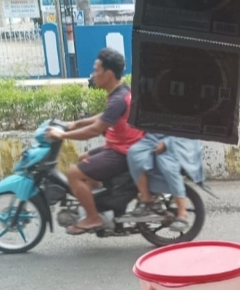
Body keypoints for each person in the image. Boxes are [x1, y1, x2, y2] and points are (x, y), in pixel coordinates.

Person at [47, 48, 144, 234]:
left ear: (108, 74)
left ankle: (93, 218)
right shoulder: (121, 91)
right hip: (120, 147)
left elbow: (95, 129)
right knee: (83, 158)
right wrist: (76, 123)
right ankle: (101, 204)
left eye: (96, 70)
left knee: (74, 173)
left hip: (122, 152)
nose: (93, 74)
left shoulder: (118, 99)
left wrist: (62, 135)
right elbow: (105, 116)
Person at [123, 134, 192, 232]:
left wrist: (166, 143)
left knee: (168, 168)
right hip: (151, 138)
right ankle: (146, 197)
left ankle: (182, 213)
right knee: (134, 153)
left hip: (175, 139)